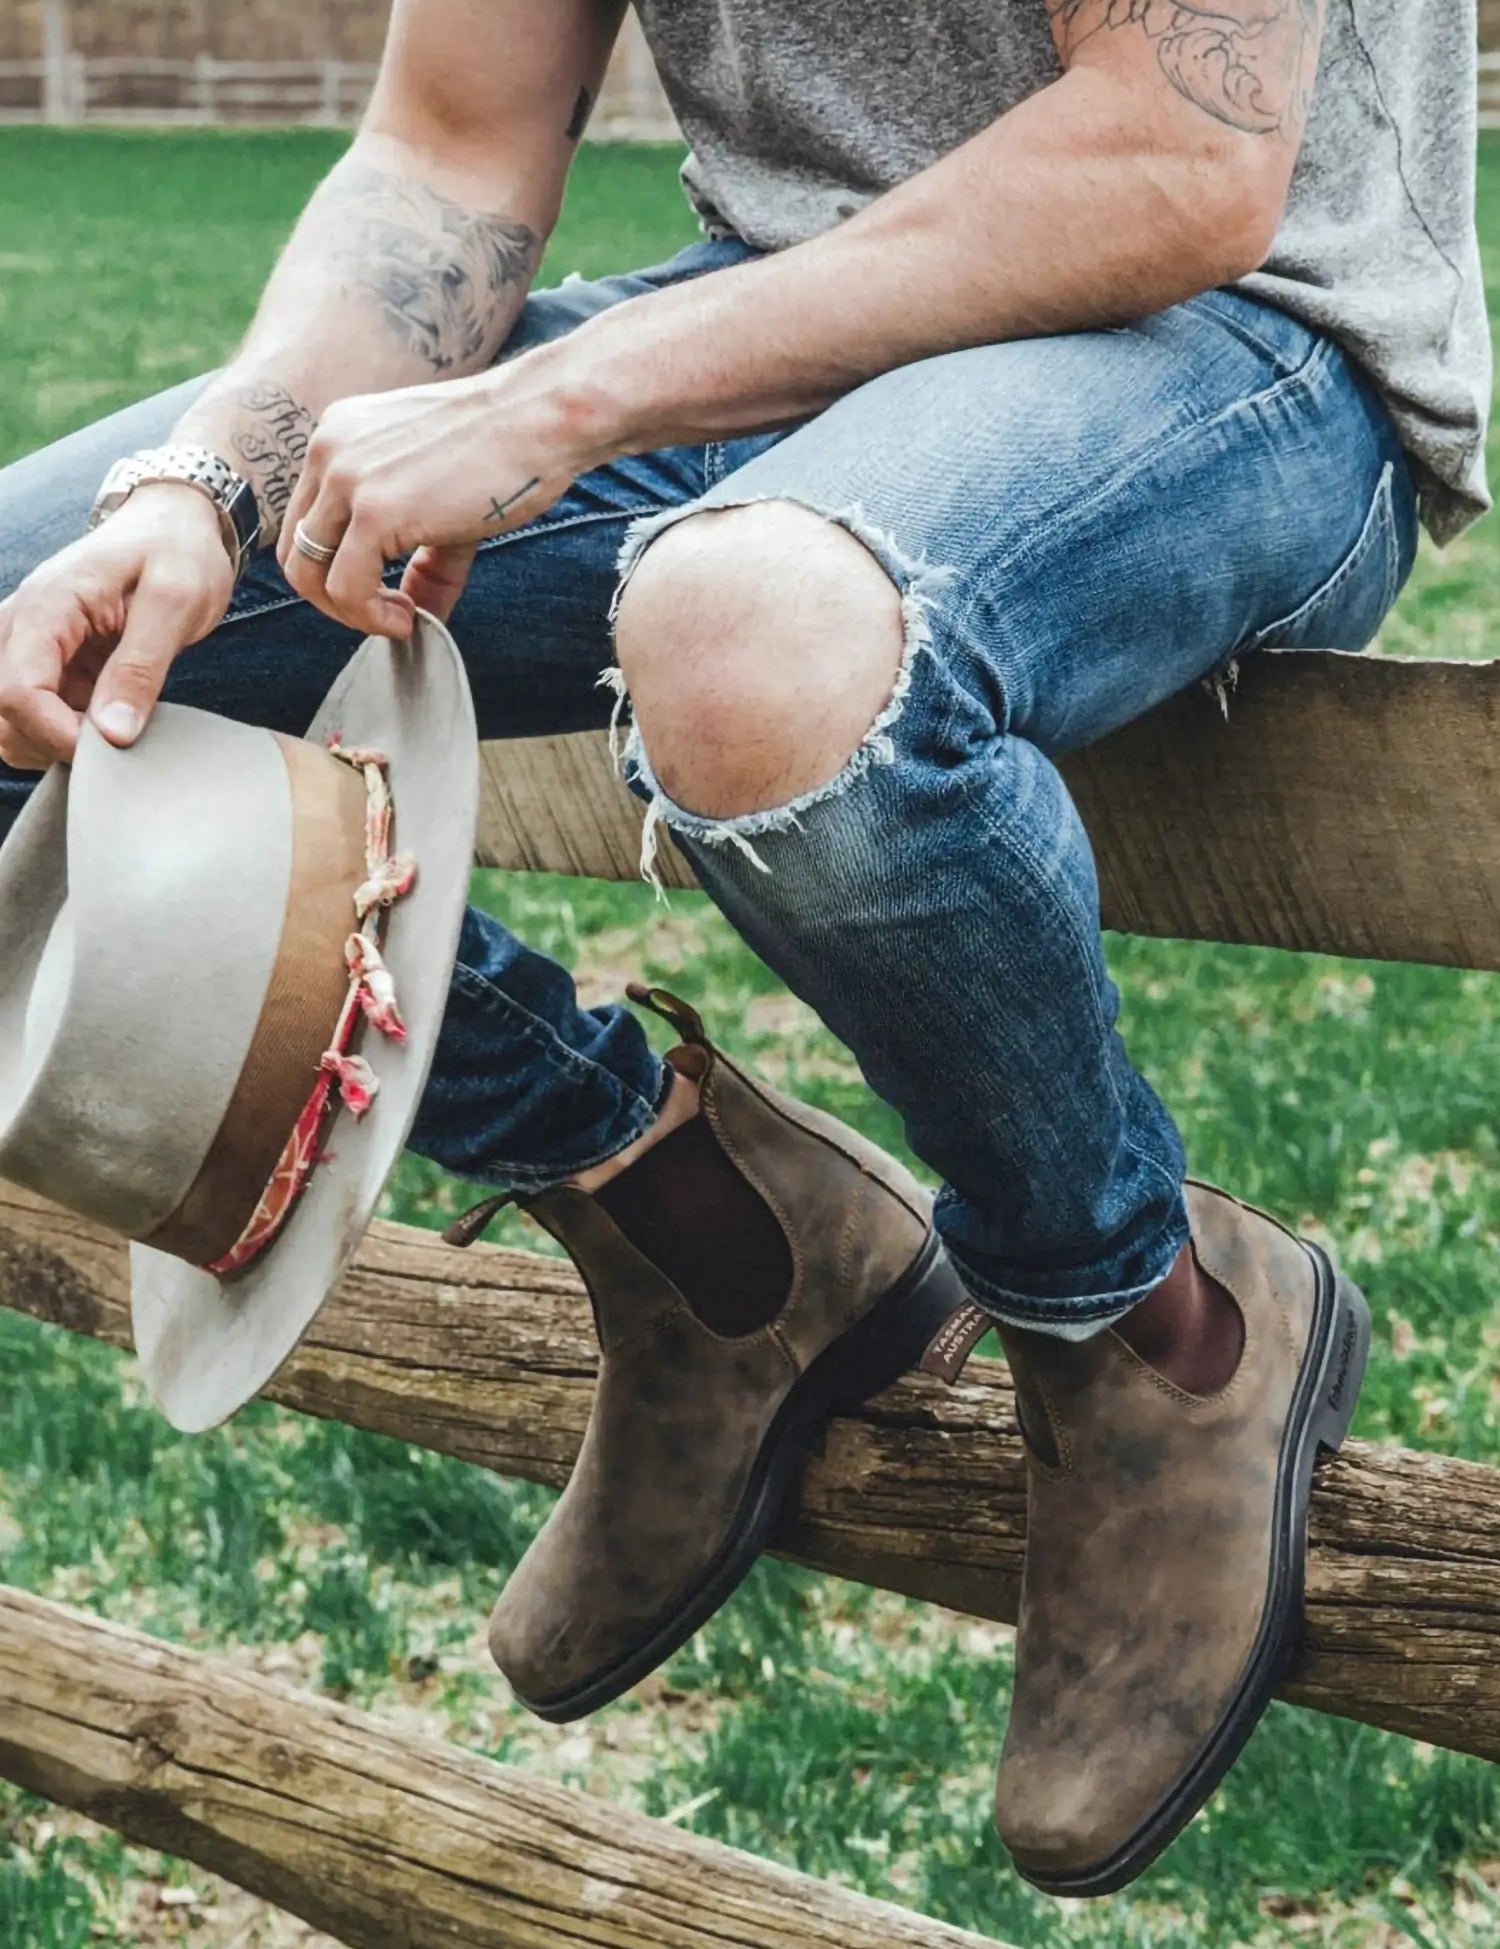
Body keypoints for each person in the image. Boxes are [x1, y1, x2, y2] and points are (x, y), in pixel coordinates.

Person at [0, 0, 1487, 1898]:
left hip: (1244, 337)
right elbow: (448, 152)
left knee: (755, 640)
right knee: (23, 639)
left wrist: (557, 401)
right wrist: (210, 481)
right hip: (770, 324)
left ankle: (1150, 1325)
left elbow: (1177, 158)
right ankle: (700, 1223)